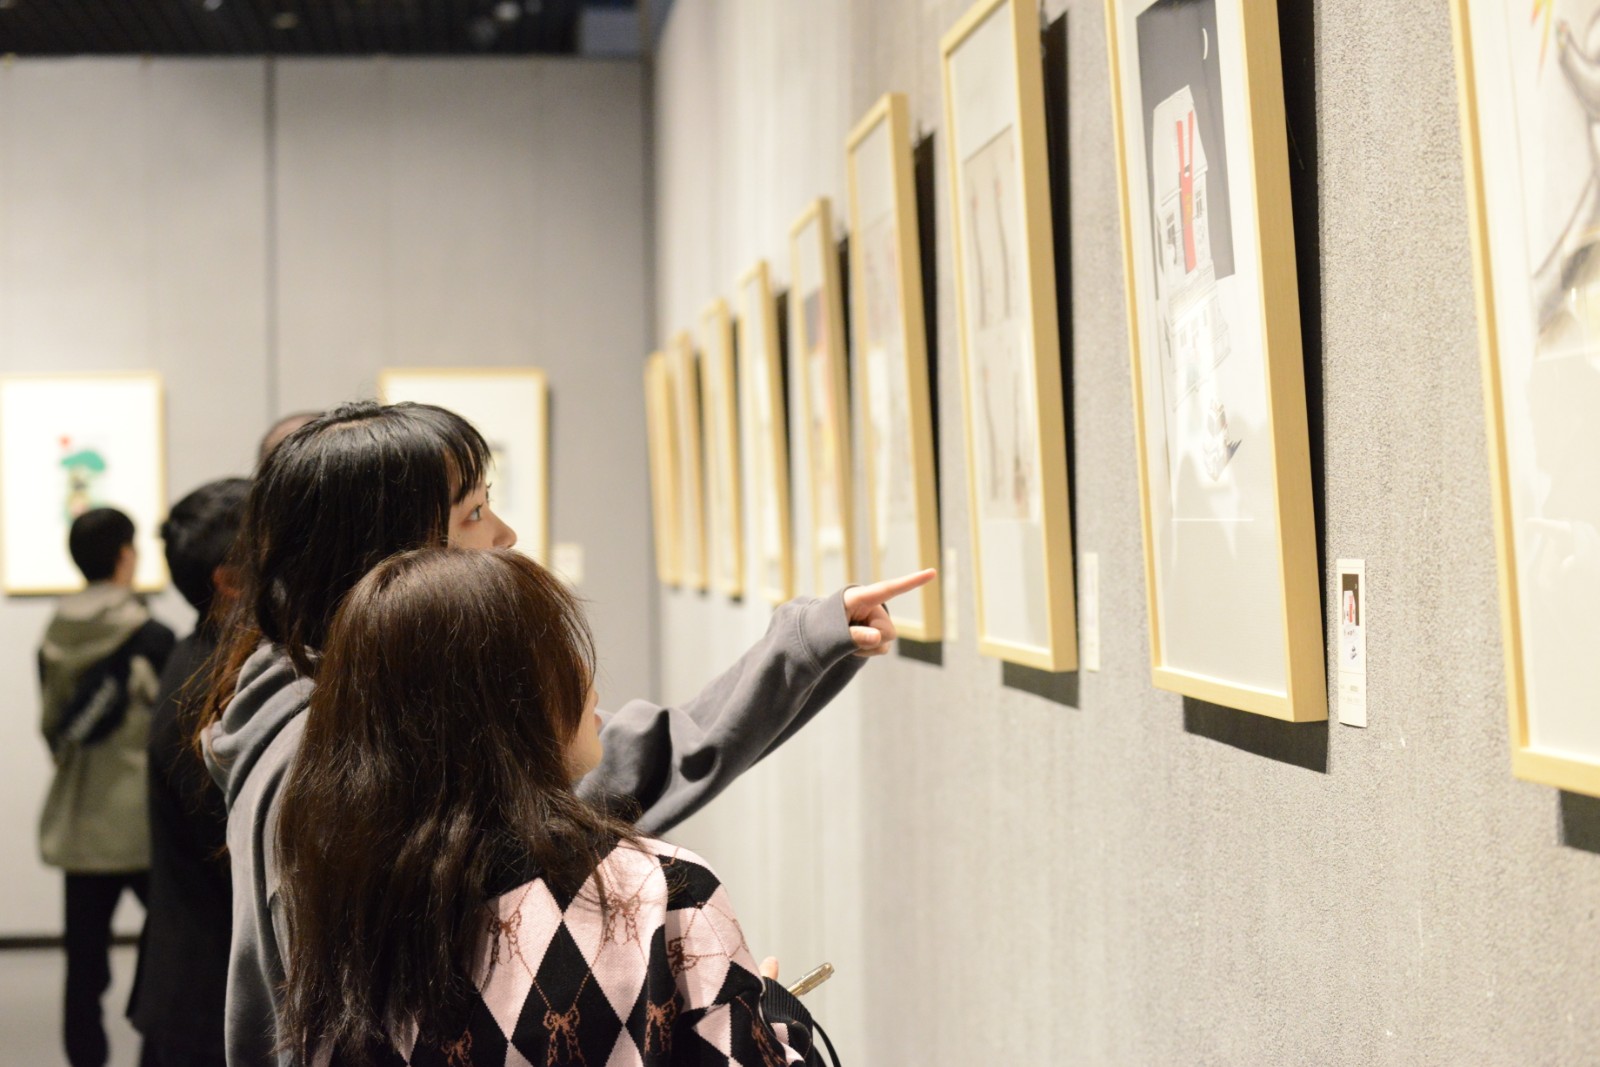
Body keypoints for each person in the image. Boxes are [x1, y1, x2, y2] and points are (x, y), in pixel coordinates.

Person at [200, 401, 928, 1066]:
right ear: (391, 557)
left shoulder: (337, 718)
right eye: (473, 512)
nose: (504, 536)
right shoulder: (328, 764)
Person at [276, 547, 830, 1065]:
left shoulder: (339, 895)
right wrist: (772, 1011)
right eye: (560, 659)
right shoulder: (663, 890)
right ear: (505, 700)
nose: (589, 680)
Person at [38, 507, 176, 1067]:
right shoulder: (152, 635)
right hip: (146, 824)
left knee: (83, 964)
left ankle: (85, 1059)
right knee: (171, 951)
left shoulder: (54, 634)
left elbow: (53, 729)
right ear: (125, 555)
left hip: (82, 822)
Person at [128, 478, 251, 1067]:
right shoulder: (215, 691)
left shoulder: (204, 659)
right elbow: (237, 856)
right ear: (230, 582)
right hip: (206, 1002)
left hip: (197, 987)